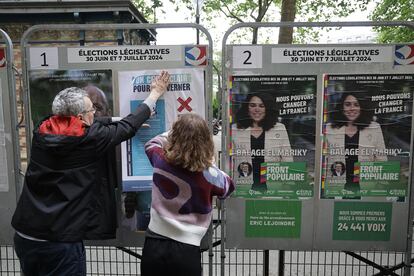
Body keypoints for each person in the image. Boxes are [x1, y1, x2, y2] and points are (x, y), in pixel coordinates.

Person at [11, 71, 170, 275]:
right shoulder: (89, 140)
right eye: (91, 110)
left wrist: (115, 118)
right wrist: (155, 93)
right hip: (60, 242)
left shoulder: (43, 129)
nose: (94, 113)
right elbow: (127, 128)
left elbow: (91, 123)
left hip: (26, 235)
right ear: (79, 118)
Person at [141, 113, 234, 276]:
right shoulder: (210, 175)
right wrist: (210, 163)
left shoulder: (160, 159)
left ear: (174, 137)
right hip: (187, 250)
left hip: (154, 244)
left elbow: (152, 143)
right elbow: (229, 187)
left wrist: (176, 131)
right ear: (206, 141)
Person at [325, 92, 387, 196]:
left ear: (362, 107)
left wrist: (381, 187)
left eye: (356, 104)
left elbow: (382, 160)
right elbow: (324, 160)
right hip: (337, 188)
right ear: (342, 107)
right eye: (348, 104)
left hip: (365, 188)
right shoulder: (329, 128)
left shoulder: (374, 128)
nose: (352, 108)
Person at [232, 93, 292, 191]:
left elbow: (287, 159)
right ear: (247, 108)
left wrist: (287, 187)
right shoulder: (235, 129)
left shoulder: (279, 128)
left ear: (267, 109)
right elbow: (231, 161)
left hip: (272, 188)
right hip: (244, 188)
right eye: (252, 105)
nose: (257, 109)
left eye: (261, 106)